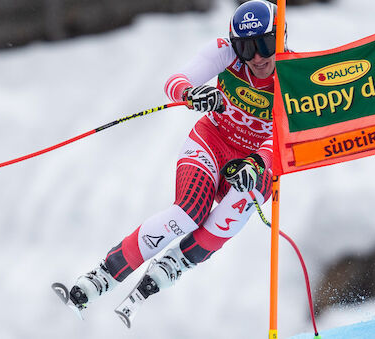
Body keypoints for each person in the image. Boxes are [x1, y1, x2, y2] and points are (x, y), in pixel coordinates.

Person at [65, 0, 286, 312]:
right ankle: (104, 274)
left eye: (265, 43)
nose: (258, 56)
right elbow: (175, 81)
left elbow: (284, 139)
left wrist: (256, 162)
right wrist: (190, 94)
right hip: (212, 142)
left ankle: (179, 261)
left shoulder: (294, 74)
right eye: (247, 48)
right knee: (188, 212)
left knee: (249, 195)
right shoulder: (227, 52)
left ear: (281, 36)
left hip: (253, 160)